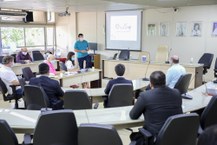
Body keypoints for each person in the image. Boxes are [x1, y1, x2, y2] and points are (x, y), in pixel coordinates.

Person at [129, 71, 182, 144]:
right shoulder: (177, 93)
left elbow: (133, 115)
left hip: (155, 138)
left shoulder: (145, 96)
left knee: (134, 137)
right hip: (175, 136)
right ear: (165, 81)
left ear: (150, 83)